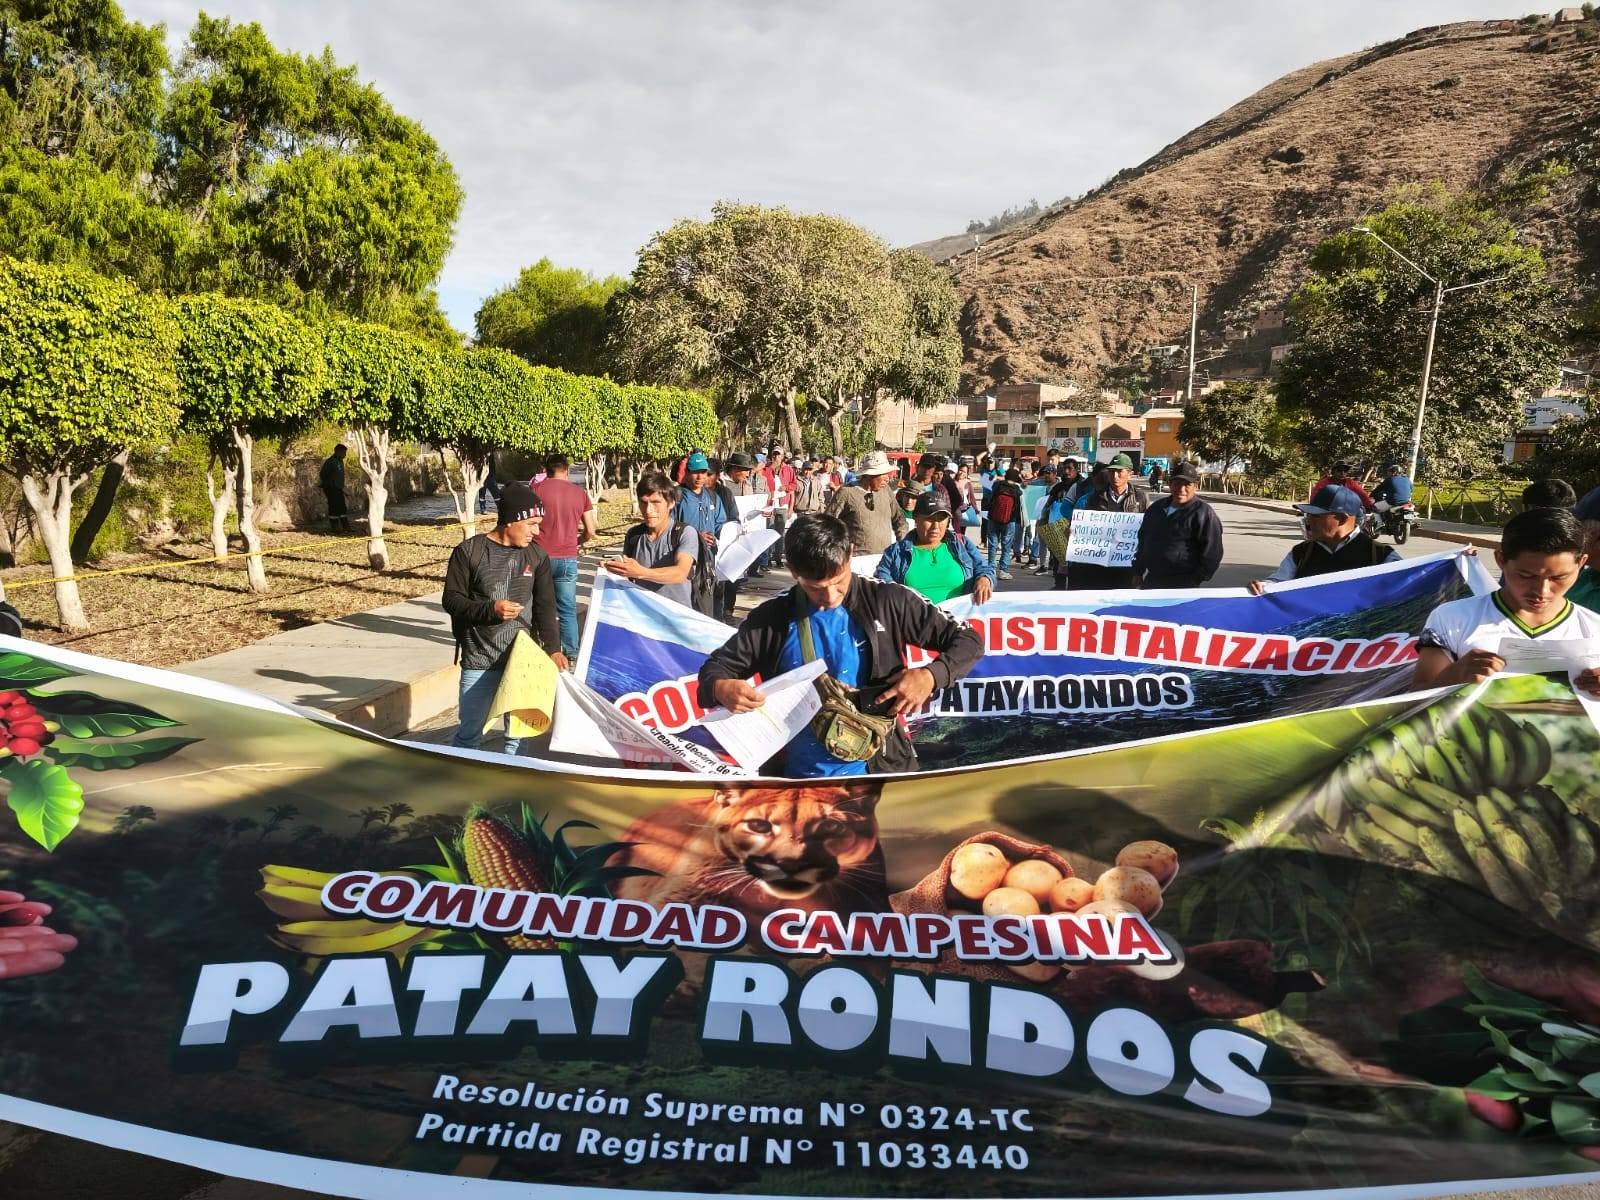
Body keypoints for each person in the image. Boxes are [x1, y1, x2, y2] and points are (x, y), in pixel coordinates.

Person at [699, 514, 983, 775]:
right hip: (796, 779)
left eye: (839, 582)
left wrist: (931, 676)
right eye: (815, 588)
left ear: (850, 553)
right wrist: (721, 688)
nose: (831, 596)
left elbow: (969, 640)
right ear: (791, 570)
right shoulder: (771, 617)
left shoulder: (888, 600)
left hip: (880, 773)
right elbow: (715, 669)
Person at [1413, 508, 1600, 695]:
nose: (1541, 591)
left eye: (1559, 577)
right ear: (1500, 559)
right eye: (1526, 576)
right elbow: (1412, 700)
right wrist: (1453, 675)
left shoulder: (1594, 629)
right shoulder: (1452, 619)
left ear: (1582, 563)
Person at [442, 483, 566, 757]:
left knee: (518, 738)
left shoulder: (537, 556)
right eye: (532, 524)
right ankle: (463, 789)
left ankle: (514, 792)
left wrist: (554, 648)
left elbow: (546, 607)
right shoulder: (468, 552)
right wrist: (490, 610)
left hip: (522, 661)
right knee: (469, 734)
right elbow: (451, 600)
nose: (537, 531)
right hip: (479, 659)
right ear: (512, 520)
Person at [1248, 484, 1398, 594]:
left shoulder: (1381, 556)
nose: (1308, 521)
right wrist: (1262, 587)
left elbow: (1408, 587)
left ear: (1341, 519)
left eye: (1316, 516)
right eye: (1308, 515)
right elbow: (1277, 582)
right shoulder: (1301, 553)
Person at [876, 490, 995, 605]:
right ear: (916, 518)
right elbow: (880, 583)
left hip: (957, 621)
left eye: (941, 519)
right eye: (929, 519)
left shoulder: (962, 544)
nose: (936, 526)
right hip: (914, 623)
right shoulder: (896, 552)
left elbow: (985, 568)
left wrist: (984, 579)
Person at [531, 453, 595, 662]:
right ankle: (572, 654)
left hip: (540, 557)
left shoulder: (536, 490)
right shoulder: (580, 493)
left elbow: (528, 524)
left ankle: (541, 648)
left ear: (545, 471)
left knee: (539, 606)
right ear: (566, 470)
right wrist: (577, 542)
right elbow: (590, 531)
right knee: (567, 607)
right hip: (568, 557)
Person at [605, 473, 700, 609]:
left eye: (656, 503)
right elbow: (627, 575)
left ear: (671, 503)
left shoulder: (684, 533)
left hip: (676, 618)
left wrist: (640, 572)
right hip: (643, 615)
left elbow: (680, 573)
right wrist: (612, 568)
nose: (648, 510)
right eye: (644, 503)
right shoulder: (634, 535)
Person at [1133, 461, 1224, 589]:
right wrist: (1138, 572)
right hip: (1153, 581)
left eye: (1187, 484)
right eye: (1177, 483)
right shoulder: (1156, 509)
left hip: (1184, 585)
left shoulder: (1203, 513)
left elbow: (1213, 553)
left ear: (1195, 487)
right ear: (1170, 484)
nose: (1181, 489)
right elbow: (1143, 541)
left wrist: (1196, 579)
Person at [1068, 453, 1147, 590]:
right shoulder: (1094, 498)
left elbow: (1147, 530)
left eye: (1119, 471)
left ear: (1130, 473)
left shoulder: (1140, 498)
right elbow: (1082, 528)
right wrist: (1073, 532)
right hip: (1097, 566)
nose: (1115, 476)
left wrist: (1139, 569)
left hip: (1126, 565)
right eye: (1111, 471)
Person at [675, 450, 736, 619]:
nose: (700, 476)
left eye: (703, 472)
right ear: (687, 473)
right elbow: (668, 528)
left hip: (709, 562)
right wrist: (694, 536)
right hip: (686, 562)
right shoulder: (677, 497)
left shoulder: (713, 497)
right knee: (687, 607)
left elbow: (720, 523)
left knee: (709, 606)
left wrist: (726, 535)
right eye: (695, 472)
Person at [825, 449, 905, 555]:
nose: (887, 478)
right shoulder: (847, 492)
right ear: (868, 475)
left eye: (887, 474)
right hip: (857, 561)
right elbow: (827, 524)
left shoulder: (886, 490)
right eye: (883, 474)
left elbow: (900, 519)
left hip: (885, 560)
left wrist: (903, 545)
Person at [722, 451, 769, 601]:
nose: (749, 474)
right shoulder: (720, 485)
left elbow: (750, 508)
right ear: (735, 469)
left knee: (735, 575)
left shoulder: (747, 486)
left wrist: (761, 513)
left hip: (742, 534)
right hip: (724, 534)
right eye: (746, 470)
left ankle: (729, 609)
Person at [761, 447, 798, 568]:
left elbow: (794, 485)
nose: (776, 457)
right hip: (770, 504)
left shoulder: (788, 470)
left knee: (780, 533)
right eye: (774, 454)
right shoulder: (766, 469)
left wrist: (786, 487)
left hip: (782, 505)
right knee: (768, 532)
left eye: (779, 455)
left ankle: (777, 557)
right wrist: (771, 468)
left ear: (783, 456)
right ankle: (766, 559)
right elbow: (763, 480)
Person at [986, 467, 1025, 580]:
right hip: (1010, 520)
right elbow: (1019, 505)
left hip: (993, 517)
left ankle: (991, 569)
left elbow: (990, 497)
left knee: (993, 544)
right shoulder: (1017, 489)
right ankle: (1003, 570)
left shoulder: (997, 485)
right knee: (1006, 546)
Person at [319, 443, 349, 533]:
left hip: (339, 489)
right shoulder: (330, 462)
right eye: (343, 452)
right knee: (334, 508)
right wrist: (330, 484)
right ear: (338, 452)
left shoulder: (340, 461)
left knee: (342, 507)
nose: (345, 454)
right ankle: (335, 528)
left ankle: (345, 527)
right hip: (331, 488)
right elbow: (323, 474)